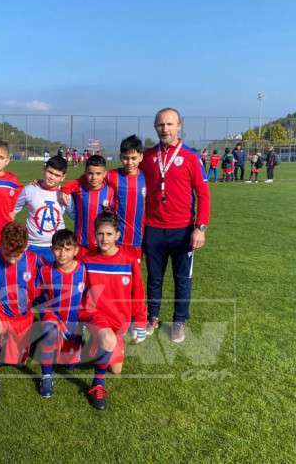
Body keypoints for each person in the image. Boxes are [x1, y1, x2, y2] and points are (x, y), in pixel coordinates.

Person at [140, 108, 210, 342]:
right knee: (154, 278)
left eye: (170, 124)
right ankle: (152, 317)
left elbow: (203, 194)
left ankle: (179, 321)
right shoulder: (148, 157)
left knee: (182, 279)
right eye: (161, 125)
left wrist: (200, 227)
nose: (165, 129)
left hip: (183, 230)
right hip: (153, 229)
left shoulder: (190, 157)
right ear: (155, 127)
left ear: (179, 126)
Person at [81, 212, 147, 410]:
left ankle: (97, 346)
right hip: (94, 315)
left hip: (119, 321)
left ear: (118, 235)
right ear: (94, 234)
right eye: (100, 234)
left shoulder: (129, 260)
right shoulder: (87, 258)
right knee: (107, 339)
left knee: (116, 369)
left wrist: (140, 322)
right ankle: (97, 386)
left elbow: (138, 293)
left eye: (109, 234)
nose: (104, 239)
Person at [0, 222, 42, 406]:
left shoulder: (35, 260)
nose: (13, 260)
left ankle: (25, 342)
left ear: (26, 246)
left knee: (17, 360)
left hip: (23, 318)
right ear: (0, 244)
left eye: (18, 255)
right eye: (8, 254)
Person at [35, 229, 87, 398]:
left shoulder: (83, 270)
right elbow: (37, 296)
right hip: (52, 316)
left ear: (76, 250)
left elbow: (90, 296)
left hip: (74, 321)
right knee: (49, 333)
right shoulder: (45, 271)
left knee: (70, 364)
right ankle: (46, 376)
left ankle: (73, 347)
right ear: (52, 249)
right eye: (58, 249)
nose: (62, 254)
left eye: (67, 249)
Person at [12, 155, 68, 263]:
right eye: (50, 172)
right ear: (44, 170)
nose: (52, 177)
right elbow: (13, 211)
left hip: (57, 247)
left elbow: (77, 216)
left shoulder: (65, 195)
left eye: (57, 175)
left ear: (63, 177)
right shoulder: (29, 190)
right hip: (31, 246)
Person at [60, 154, 115, 258]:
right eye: (90, 173)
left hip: (102, 245)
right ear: (85, 173)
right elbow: (57, 187)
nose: (94, 177)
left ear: (104, 174)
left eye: (98, 174)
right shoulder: (79, 189)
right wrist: (64, 189)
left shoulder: (110, 191)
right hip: (81, 244)